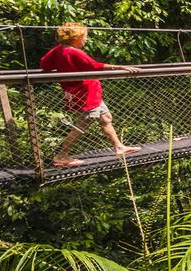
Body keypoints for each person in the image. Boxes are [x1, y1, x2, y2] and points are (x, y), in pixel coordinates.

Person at [39, 23, 141, 166]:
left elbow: (45, 65)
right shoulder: (74, 52)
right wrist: (120, 67)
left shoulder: (58, 50)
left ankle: (119, 147)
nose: (85, 40)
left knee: (105, 118)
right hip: (85, 95)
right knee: (82, 125)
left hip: (86, 93)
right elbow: (94, 66)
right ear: (76, 38)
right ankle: (61, 156)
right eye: (84, 37)